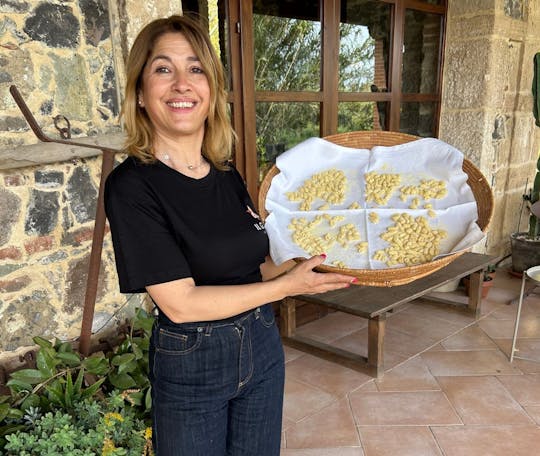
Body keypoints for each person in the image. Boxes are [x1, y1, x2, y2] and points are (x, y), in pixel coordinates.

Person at [104, 14, 356, 456]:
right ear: (140, 93)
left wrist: (312, 257)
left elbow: (255, 266)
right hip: (193, 358)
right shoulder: (132, 186)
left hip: (261, 343)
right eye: (164, 69)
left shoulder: (225, 174)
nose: (182, 83)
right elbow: (180, 305)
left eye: (196, 69)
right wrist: (284, 288)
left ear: (212, 92)